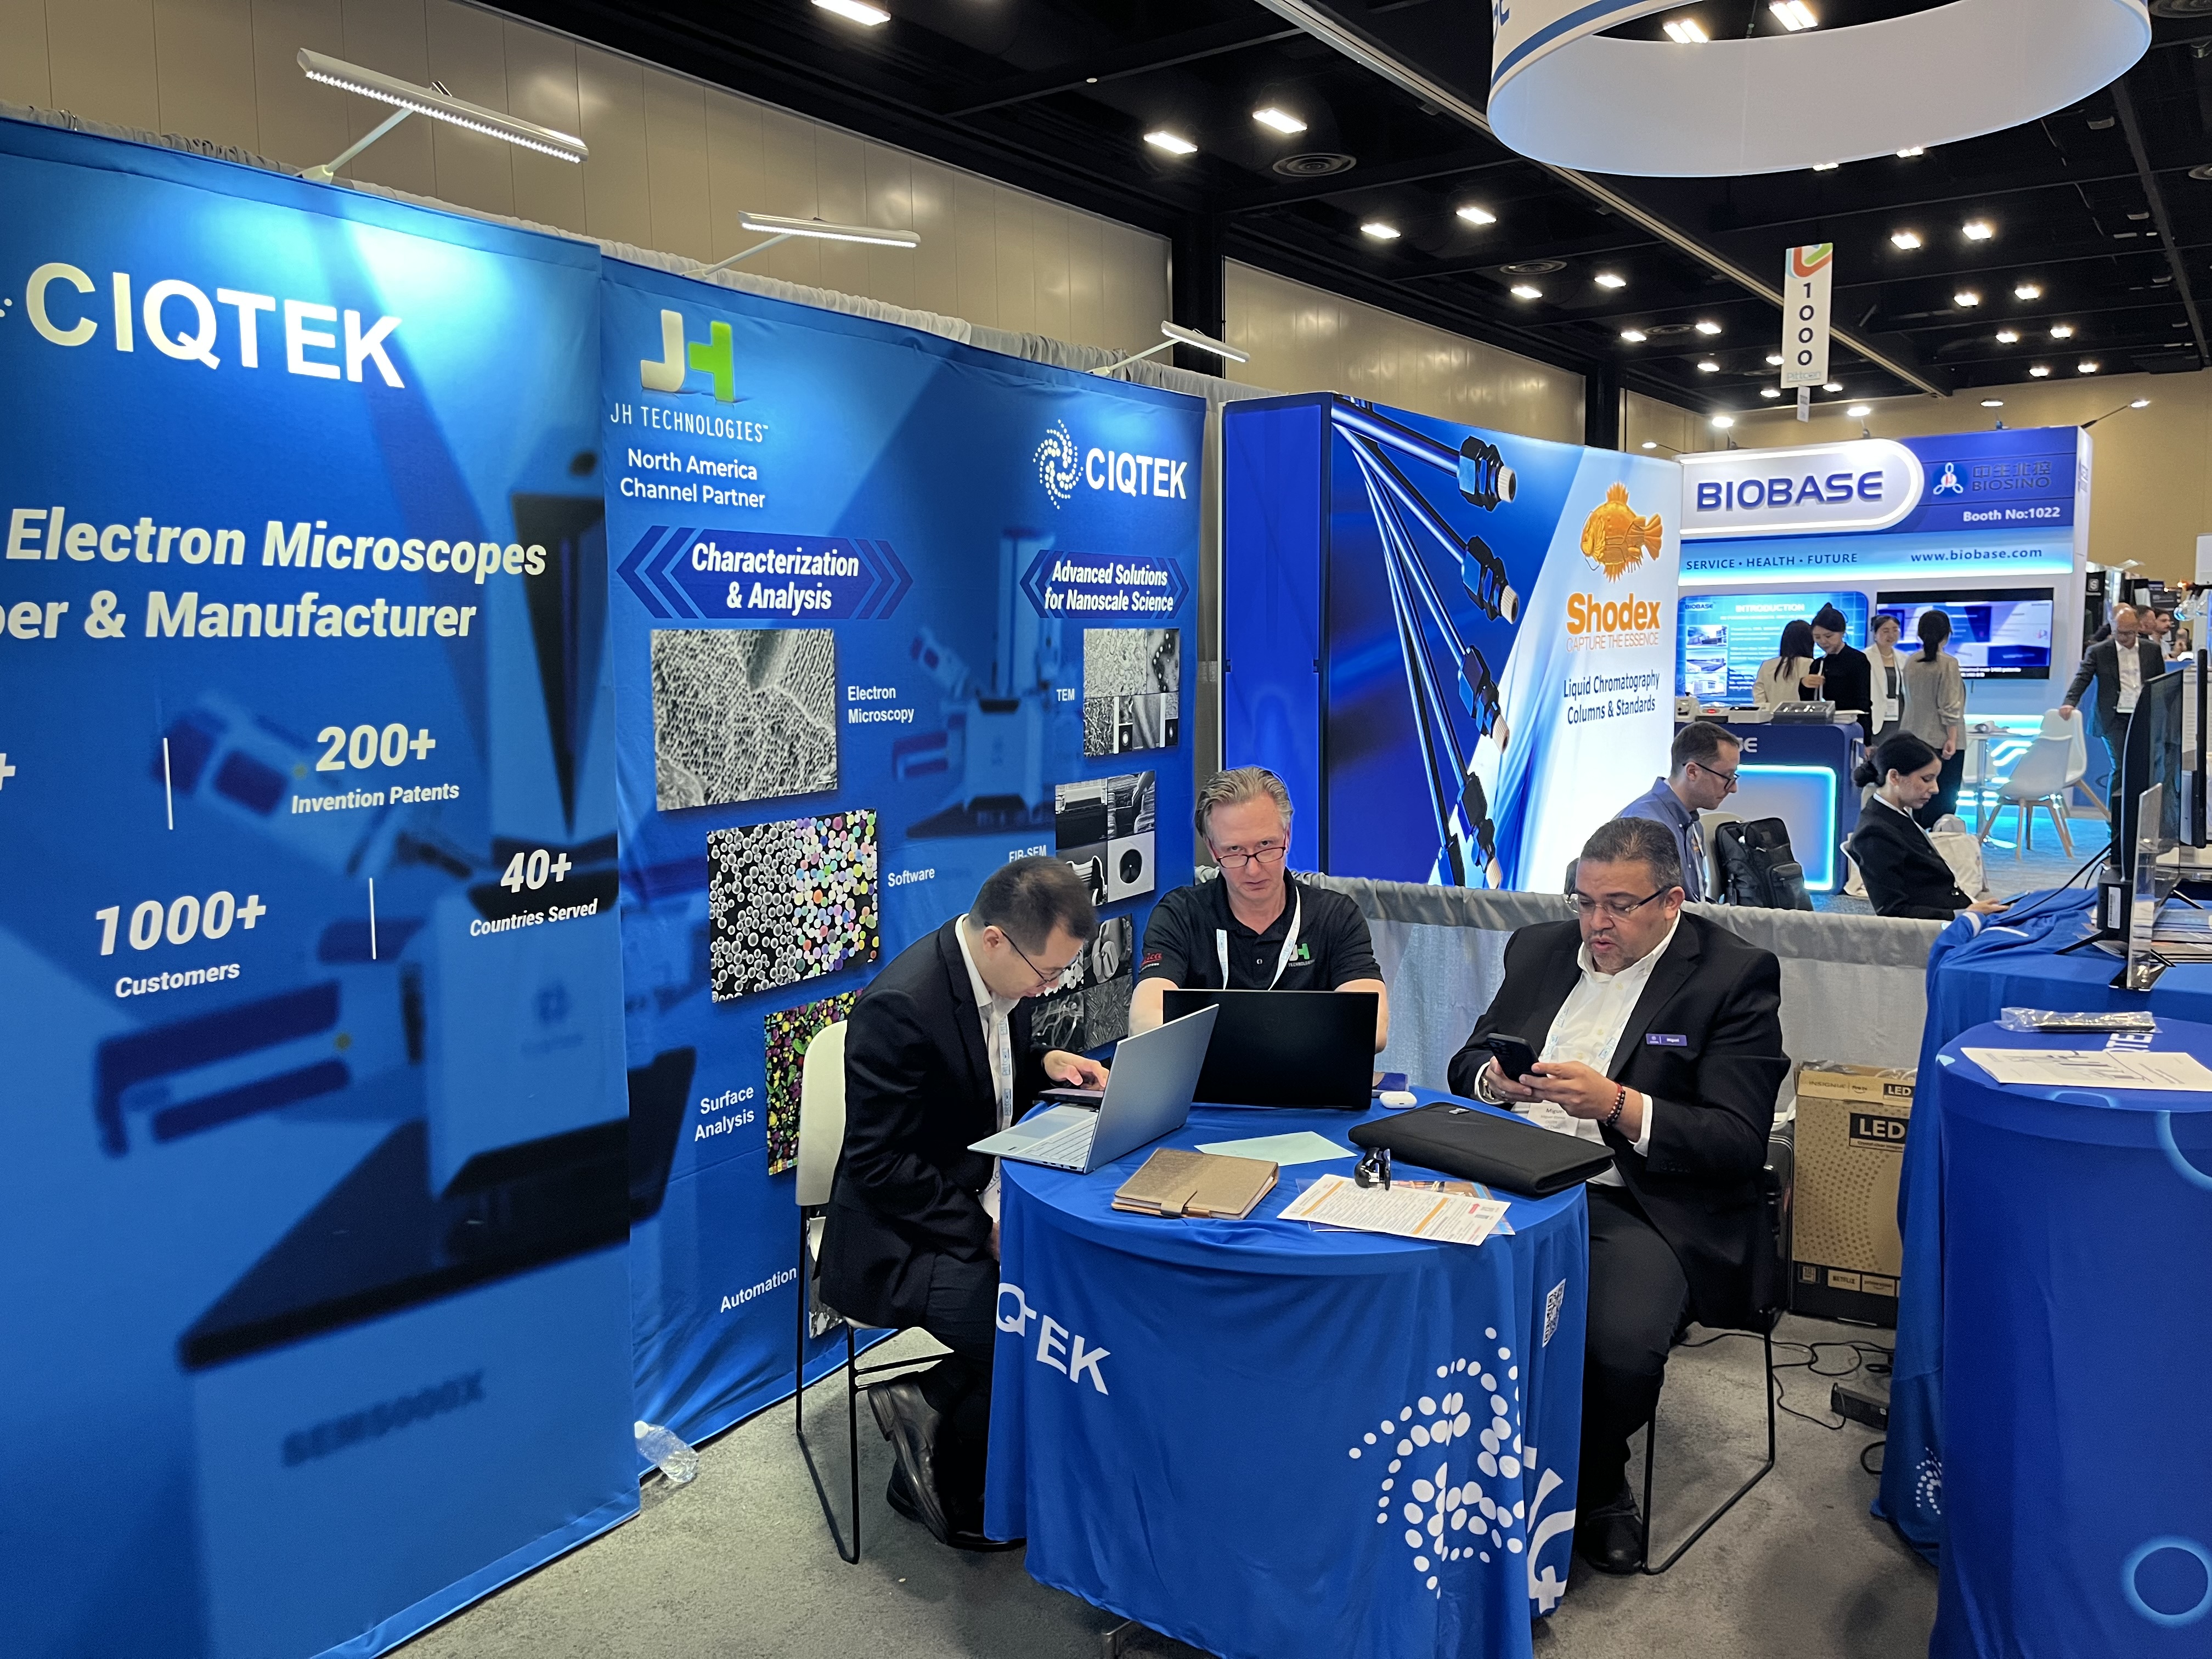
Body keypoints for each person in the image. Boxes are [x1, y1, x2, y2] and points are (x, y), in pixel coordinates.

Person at [1445, 817, 1787, 1575]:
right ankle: (1463, 1466)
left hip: (1636, 1201)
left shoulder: (1733, 976)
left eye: (1619, 906)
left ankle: (1596, 1481)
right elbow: (1466, 1060)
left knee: (1617, 1348)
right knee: (1418, 1289)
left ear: (1671, 901)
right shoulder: (1537, 949)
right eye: (1585, 901)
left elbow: (1736, 1141)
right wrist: (1492, 1081)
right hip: (1508, 1174)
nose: (1596, 923)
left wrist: (1618, 1106)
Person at [818, 857, 1110, 1550]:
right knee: (1040, 1331)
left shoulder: (998, 978)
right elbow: (879, 1164)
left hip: (972, 1193)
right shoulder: (900, 1007)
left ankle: (930, 1399)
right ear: (997, 941)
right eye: (1048, 973)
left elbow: (979, 1072)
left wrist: (1044, 1063)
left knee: (1082, 1300)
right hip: (898, 1238)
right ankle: (936, 1471)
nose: (1052, 987)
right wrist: (982, 1232)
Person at [1130, 765, 1388, 1050]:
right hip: (1209, 1079)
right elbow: (1145, 1020)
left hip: (1311, 1077)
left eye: (1266, 845)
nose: (1253, 869)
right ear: (1212, 849)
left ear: (1287, 836)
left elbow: (1373, 1027)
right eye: (1234, 851)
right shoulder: (1180, 915)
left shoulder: (1336, 917)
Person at [1849, 734, 2008, 921]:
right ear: (1895, 777)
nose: (1935, 789)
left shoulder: (1894, 815)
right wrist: (1965, 915)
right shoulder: (1874, 833)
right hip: (1941, 928)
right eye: (1927, 779)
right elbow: (1894, 911)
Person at [1617, 720, 1743, 902]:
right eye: (1727, 776)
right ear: (1692, 772)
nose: (1733, 788)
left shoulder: (1693, 824)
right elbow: (1650, 909)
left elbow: (1694, 901)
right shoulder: (1645, 827)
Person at [2058, 603, 2165, 803]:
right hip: (2113, 717)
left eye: (2129, 633)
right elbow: (2083, 677)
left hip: (2143, 715)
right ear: (2112, 627)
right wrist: (2070, 702)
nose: (2123, 638)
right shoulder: (2099, 651)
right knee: (2122, 766)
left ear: (2138, 628)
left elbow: (2161, 683)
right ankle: (2115, 818)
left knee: (2145, 767)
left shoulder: (2152, 650)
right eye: (2119, 632)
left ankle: (2139, 815)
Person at [1898, 608, 1967, 827]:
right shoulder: (1948, 663)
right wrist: (1952, 738)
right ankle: (1939, 844)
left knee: (1916, 800)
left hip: (1913, 738)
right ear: (1947, 634)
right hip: (1942, 742)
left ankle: (1916, 840)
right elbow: (1950, 705)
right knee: (1943, 802)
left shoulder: (1911, 661)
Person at [1810, 603, 1874, 741]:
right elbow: (1809, 703)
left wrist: (1867, 740)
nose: (1823, 642)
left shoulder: (1857, 659)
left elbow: (1863, 702)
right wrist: (1805, 685)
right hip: (1823, 729)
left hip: (1851, 728)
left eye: (1829, 636)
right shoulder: (1818, 664)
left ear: (1842, 633)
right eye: (1817, 637)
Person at [1752, 618, 1821, 708]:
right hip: (1804, 716)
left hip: (1771, 716)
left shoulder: (1767, 666)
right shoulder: (1813, 665)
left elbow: (1759, 702)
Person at [1867, 613, 1905, 745]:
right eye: (1886, 631)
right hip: (1875, 714)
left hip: (1899, 714)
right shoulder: (1864, 657)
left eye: (1895, 630)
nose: (1891, 635)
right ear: (1875, 634)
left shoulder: (1904, 658)